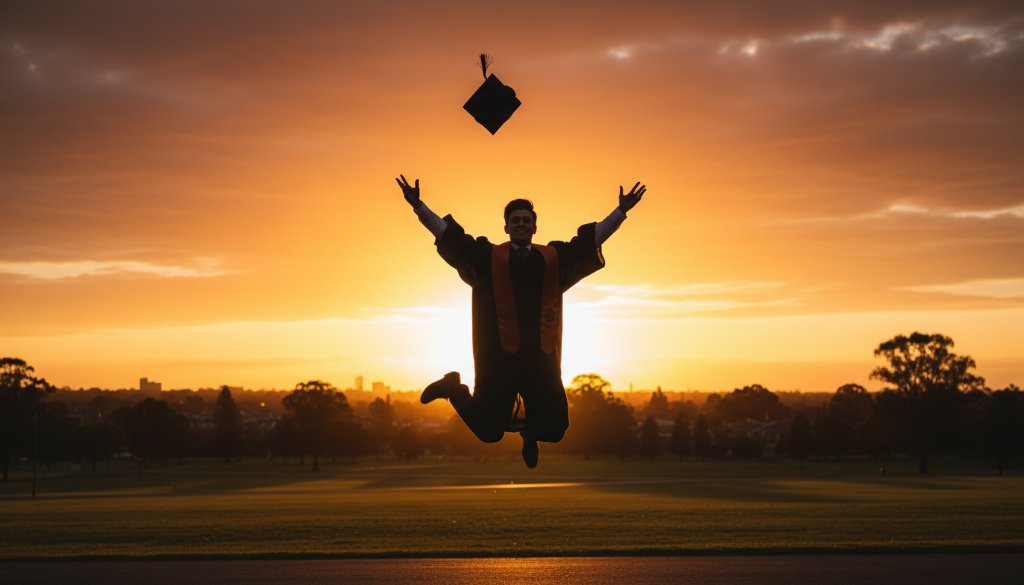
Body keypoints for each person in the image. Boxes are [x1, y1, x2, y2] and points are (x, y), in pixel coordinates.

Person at [396, 175, 646, 467]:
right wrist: (418, 206)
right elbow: (450, 237)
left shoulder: (552, 258)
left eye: (526, 220)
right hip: (499, 357)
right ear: (506, 226)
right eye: (516, 220)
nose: (521, 225)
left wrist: (621, 212)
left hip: (541, 358)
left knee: (555, 429)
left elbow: (590, 241)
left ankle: (530, 433)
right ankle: (453, 388)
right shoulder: (488, 257)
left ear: (535, 227)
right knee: (488, 432)